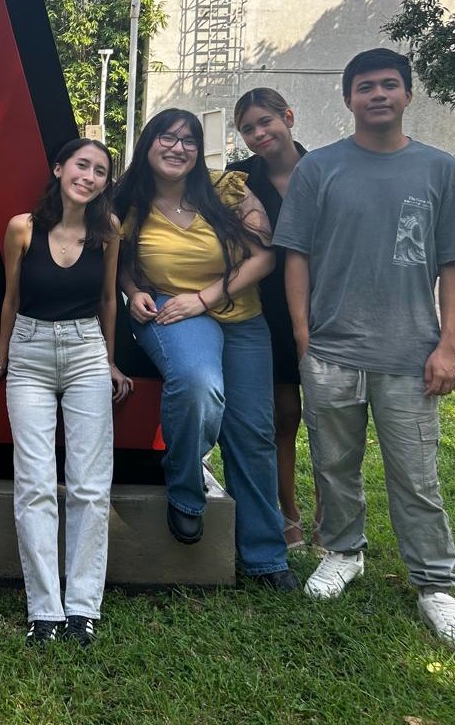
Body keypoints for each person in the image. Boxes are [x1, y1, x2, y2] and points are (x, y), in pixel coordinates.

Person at [274, 48, 455, 647]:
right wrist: (304, 336)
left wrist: (449, 346)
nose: (378, 95)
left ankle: (436, 584)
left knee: (415, 477)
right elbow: (296, 256)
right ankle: (343, 551)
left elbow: (454, 264)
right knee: (334, 465)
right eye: (366, 87)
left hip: (410, 355)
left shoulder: (439, 169)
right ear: (348, 99)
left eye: (390, 85)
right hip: (332, 350)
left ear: (408, 94)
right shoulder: (321, 169)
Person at [112, 108, 297, 590]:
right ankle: (186, 488)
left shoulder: (228, 190)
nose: (178, 148)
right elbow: (117, 260)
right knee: (198, 384)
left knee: (253, 431)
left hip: (237, 312)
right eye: (167, 139)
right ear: (148, 145)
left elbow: (264, 255)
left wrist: (207, 297)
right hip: (169, 310)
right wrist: (133, 292)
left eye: (188, 140)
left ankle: (264, 555)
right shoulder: (129, 201)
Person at [0, 139, 132, 646]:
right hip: (30, 354)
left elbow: (108, 299)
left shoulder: (108, 230)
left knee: (88, 484)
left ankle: (82, 608)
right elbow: (10, 299)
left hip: (85, 353)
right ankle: (45, 610)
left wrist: (108, 359)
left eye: (100, 171)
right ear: (59, 168)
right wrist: (1, 360)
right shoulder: (24, 228)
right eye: (82, 165)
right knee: (35, 482)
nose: (90, 175)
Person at [228, 88, 318, 548]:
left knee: (329, 419)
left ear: (289, 115)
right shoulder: (238, 179)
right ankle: (289, 512)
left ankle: (332, 516)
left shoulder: (326, 170)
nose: (259, 133)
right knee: (284, 415)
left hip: (325, 308)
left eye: (266, 121)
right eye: (247, 128)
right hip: (266, 309)